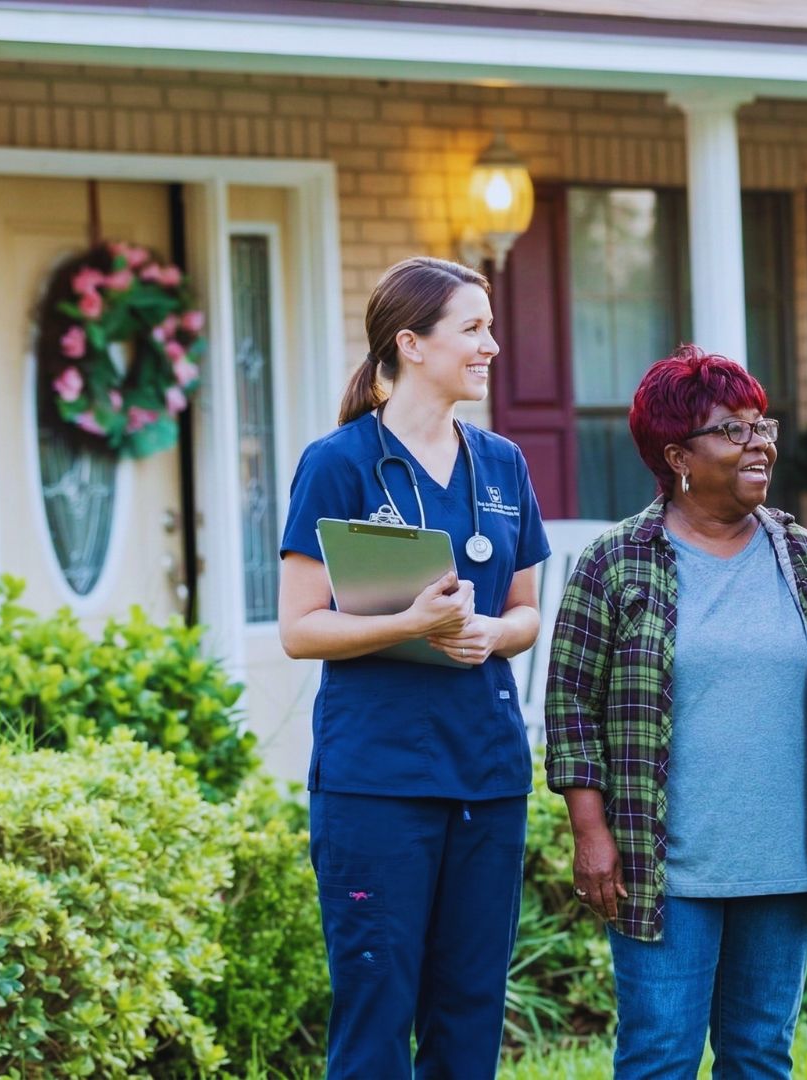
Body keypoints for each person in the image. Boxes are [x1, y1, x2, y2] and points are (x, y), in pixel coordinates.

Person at [545, 345, 807, 1080]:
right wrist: (590, 834)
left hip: (781, 866)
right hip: (664, 870)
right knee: (660, 1057)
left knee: (759, 1057)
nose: (759, 444)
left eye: (763, 426)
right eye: (734, 430)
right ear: (677, 456)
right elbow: (570, 709)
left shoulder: (803, 556)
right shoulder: (616, 563)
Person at [276, 256, 550, 1079]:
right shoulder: (341, 463)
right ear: (411, 343)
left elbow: (528, 612)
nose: (491, 346)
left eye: (489, 328)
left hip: (487, 775)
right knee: (375, 1015)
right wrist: (411, 623)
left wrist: (490, 634)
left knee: (469, 1018)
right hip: (378, 783)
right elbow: (298, 627)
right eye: (472, 329)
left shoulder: (502, 465)